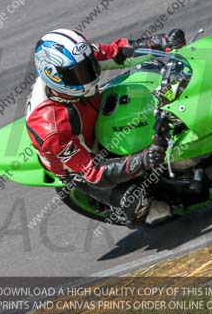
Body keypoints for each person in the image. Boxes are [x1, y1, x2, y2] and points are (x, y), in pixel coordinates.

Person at [25, 28, 184, 226]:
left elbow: (119, 53)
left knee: (150, 68)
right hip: (79, 161)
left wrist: (162, 41)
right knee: (138, 201)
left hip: (92, 108)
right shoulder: (52, 130)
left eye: (88, 66)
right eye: (80, 74)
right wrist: (142, 160)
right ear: (54, 77)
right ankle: (129, 213)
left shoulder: (78, 60)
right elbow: (93, 172)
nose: (89, 75)